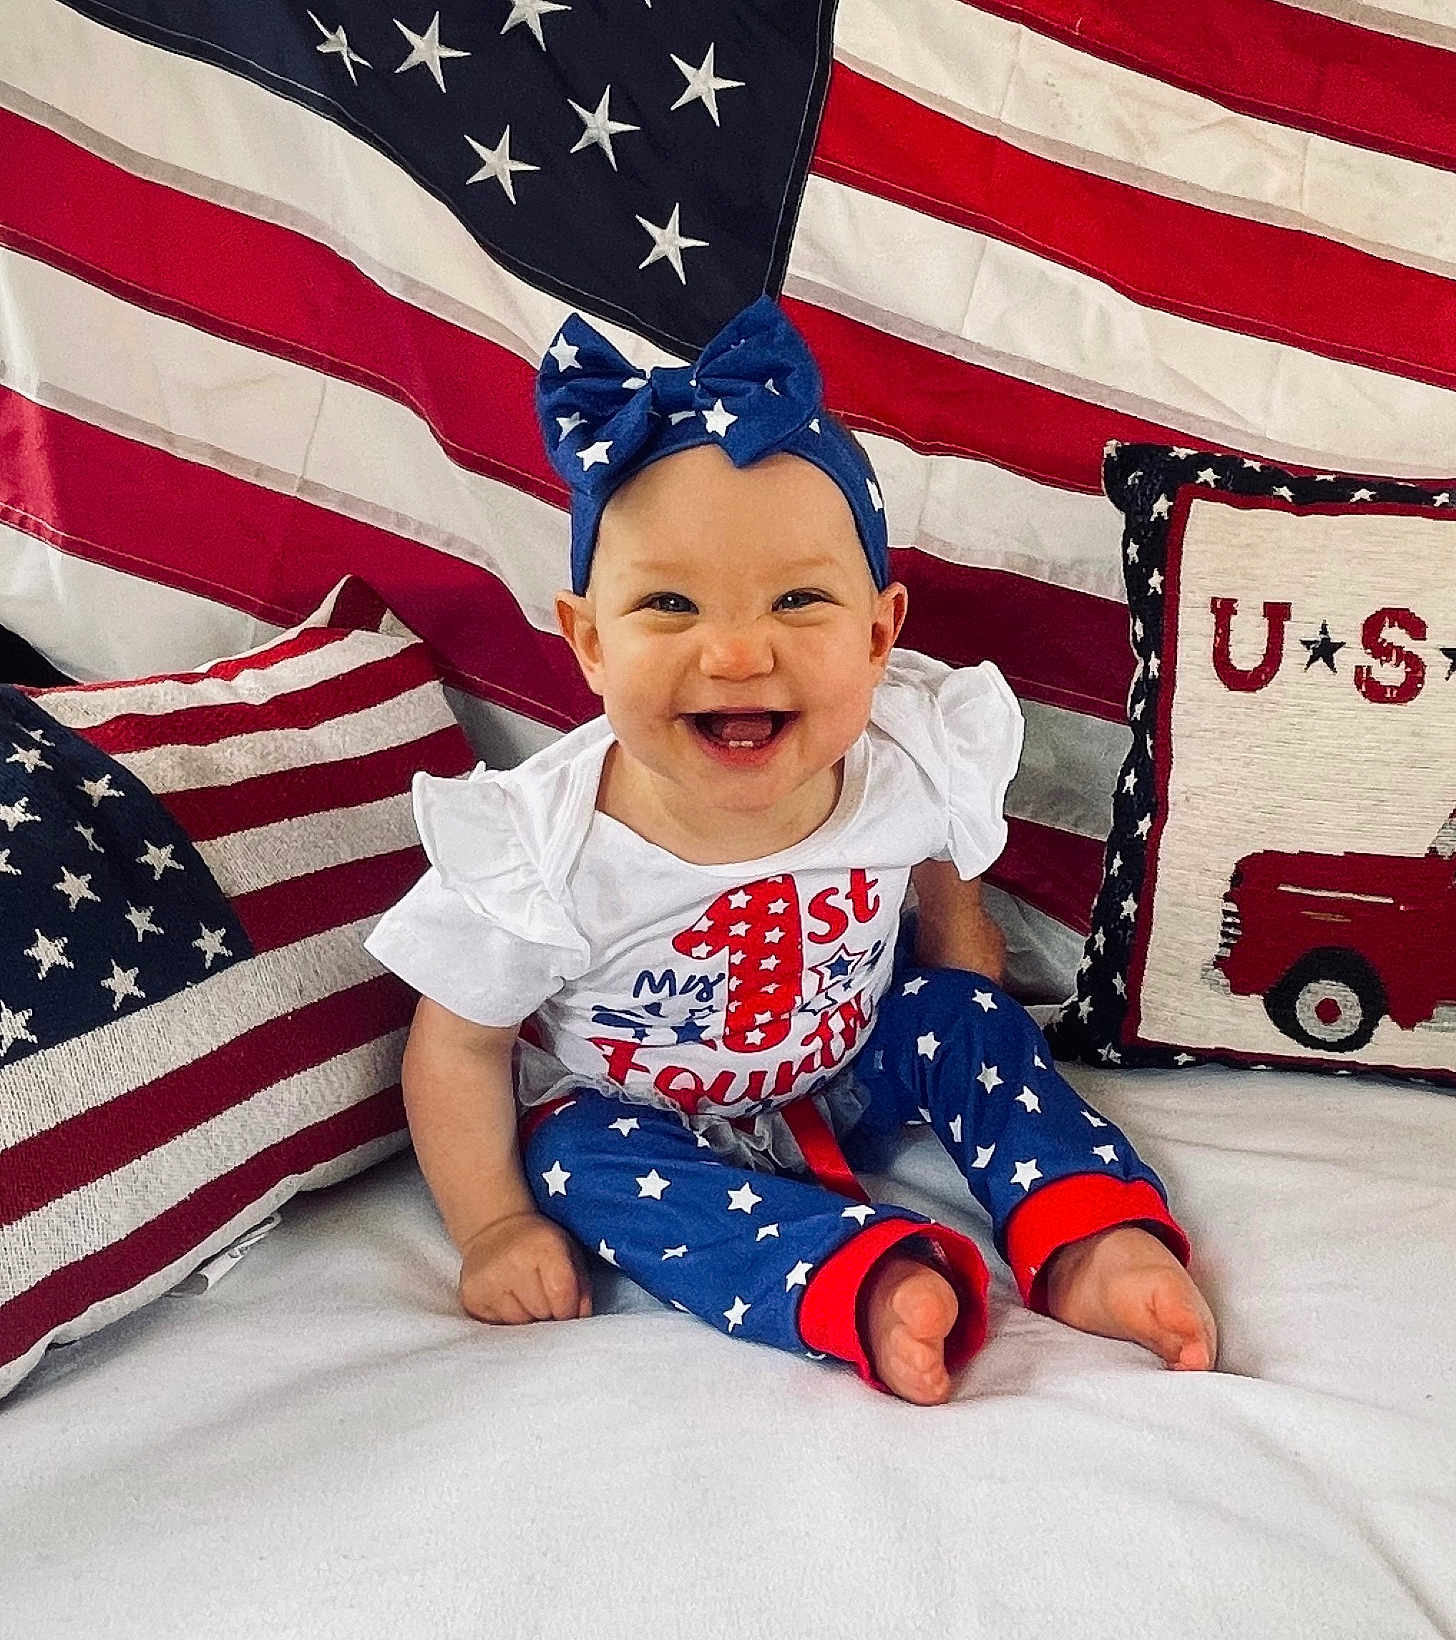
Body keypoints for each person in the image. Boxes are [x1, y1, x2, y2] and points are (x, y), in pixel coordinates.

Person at [363, 295, 1217, 1404]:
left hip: (845, 1067)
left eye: (797, 600)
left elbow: (935, 858)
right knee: (574, 1160)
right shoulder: (540, 847)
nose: (732, 650)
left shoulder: (905, 748)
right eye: (668, 604)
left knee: (966, 1019)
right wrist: (493, 1224)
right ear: (587, 640)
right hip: (636, 1112)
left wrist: (964, 956)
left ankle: (1084, 1227)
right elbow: (459, 1047)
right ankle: (842, 1272)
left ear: (876, 637)